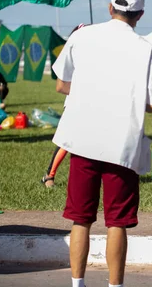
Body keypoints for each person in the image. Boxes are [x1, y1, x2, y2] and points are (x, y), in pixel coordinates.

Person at [52, 0, 152, 287]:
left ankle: (78, 283)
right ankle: (115, 285)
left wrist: (93, 92)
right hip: (122, 146)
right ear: (140, 14)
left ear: (109, 7)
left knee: (81, 219)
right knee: (117, 222)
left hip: (82, 140)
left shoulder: (82, 36)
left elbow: (61, 85)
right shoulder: (147, 50)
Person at [41, 24, 88, 188]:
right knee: (66, 141)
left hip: (94, 106)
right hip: (75, 104)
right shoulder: (72, 55)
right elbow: (61, 86)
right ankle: (49, 175)